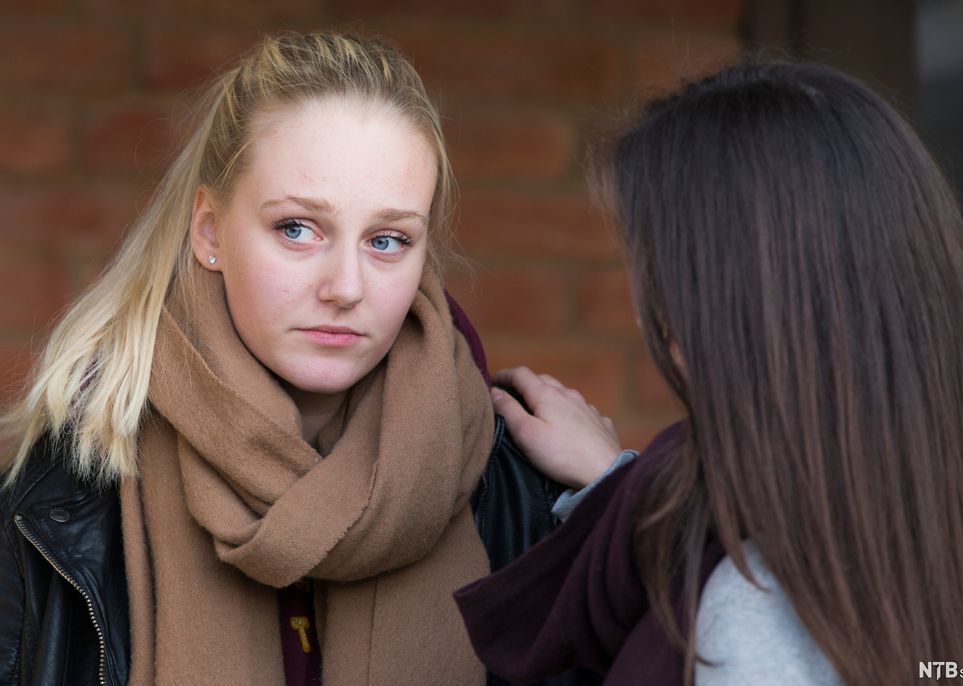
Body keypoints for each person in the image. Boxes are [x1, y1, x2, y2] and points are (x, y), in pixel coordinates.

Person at [0, 32, 623, 686]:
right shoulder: (63, 493)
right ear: (210, 231)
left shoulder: (518, 488)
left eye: (387, 240)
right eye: (298, 228)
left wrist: (620, 498)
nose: (346, 287)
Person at [456, 60, 963, 685]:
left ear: (727, 310)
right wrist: (616, 487)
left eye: (659, 280)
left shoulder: (752, 616)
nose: (654, 325)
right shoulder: (955, 522)